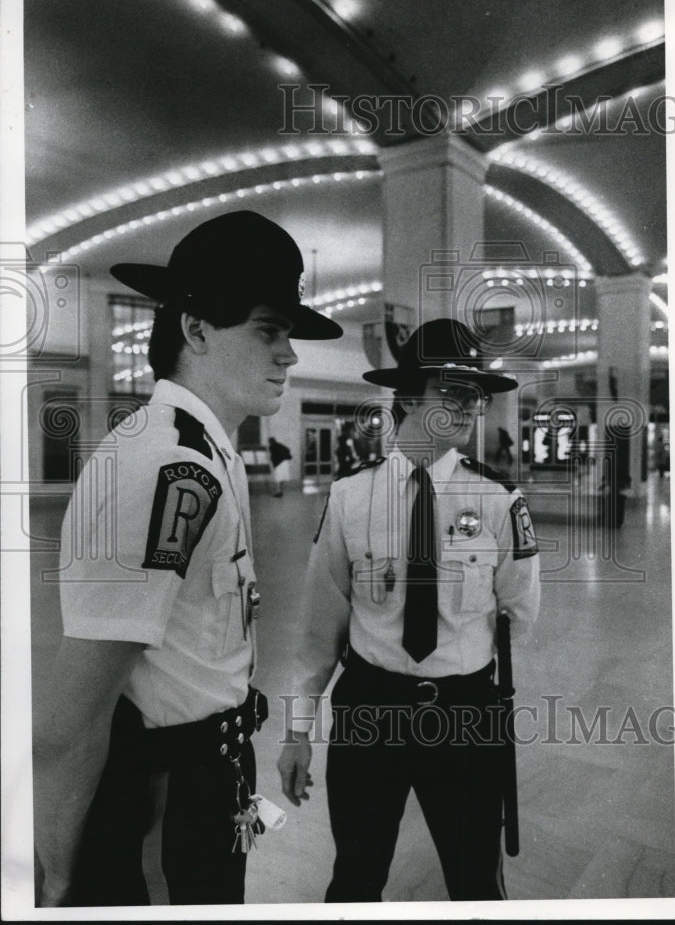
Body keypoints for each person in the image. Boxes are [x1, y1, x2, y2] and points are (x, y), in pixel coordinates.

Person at [32, 210, 342, 907]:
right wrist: (54, 873)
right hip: (163, 802)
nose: (288, 354)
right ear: (196, 329)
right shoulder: (166, 466)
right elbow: (72, 718)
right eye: (268, 330)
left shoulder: (203, 449)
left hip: (210, 773)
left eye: (287, 333)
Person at [277, 318, 541, 902]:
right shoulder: (349, 497)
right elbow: (319, 631)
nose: (471, 406)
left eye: (475, 394)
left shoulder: (499, 501)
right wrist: (297, 732)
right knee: (355, 878)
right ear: (409, 400)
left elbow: (518, 615)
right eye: (453, 391)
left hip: (466, 716)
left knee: (476, 881)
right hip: (371, 713)